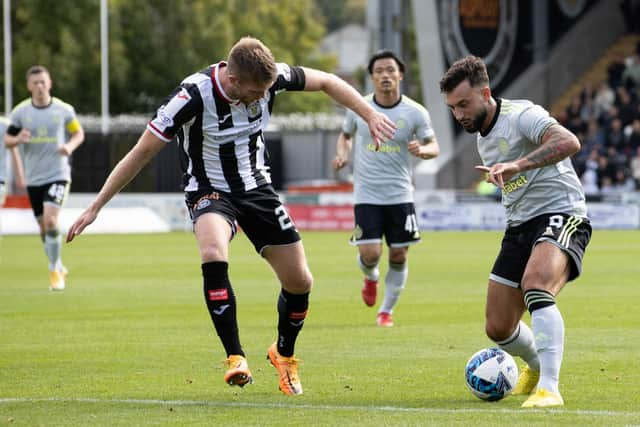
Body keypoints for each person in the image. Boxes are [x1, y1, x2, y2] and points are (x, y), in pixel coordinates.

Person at [66, 37, 396, 396]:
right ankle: (235, 357)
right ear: (234, 79)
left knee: (300, 281)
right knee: (212, 250)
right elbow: (142, 151)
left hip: (257, 188)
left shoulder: (271, 78)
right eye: (256, 92)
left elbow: (329, 82)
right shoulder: (191, 96)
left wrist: (370, 114)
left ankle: (283, 355)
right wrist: (96, 205)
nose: (261, 98)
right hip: (209, 189)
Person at [439, 56, 591, 408]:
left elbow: (568, 142)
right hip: (519, 226)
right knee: (498, 327)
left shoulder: (522, 115)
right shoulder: (482, 138)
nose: (458, 114)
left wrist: (517, 164)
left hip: (561, 213)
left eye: (464, 103)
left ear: (485, 93)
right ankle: (536, 367)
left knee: (536, 285)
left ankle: (550, 389)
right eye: (452, 107)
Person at [332, 50, 439, 327]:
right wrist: (343, 154)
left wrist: (423, 151)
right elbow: (345, 136)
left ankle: (386, 311)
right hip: (366, 194)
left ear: (400, 74)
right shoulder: (358, 107)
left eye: (390, 70)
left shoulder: (416, 112)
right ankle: (371, 277)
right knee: (369, 254)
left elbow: (434, 146)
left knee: (399, 254)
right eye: (379, 71)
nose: (385, 75)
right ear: (372, 77)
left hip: (400, 194)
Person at [5, 65, 85, 290]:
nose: (40, 86)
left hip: (58, 175)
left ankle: (54, 271)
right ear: (29, 86)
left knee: (51, 221)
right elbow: (7, 141)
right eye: (35, 83)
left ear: (49, 83)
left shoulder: (63, 110)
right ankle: (58, 264)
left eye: (43, 82)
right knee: (43, 229)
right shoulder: (20, 113)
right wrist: (18, 138)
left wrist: (69, 146)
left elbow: (78, 132)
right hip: (34, 179)